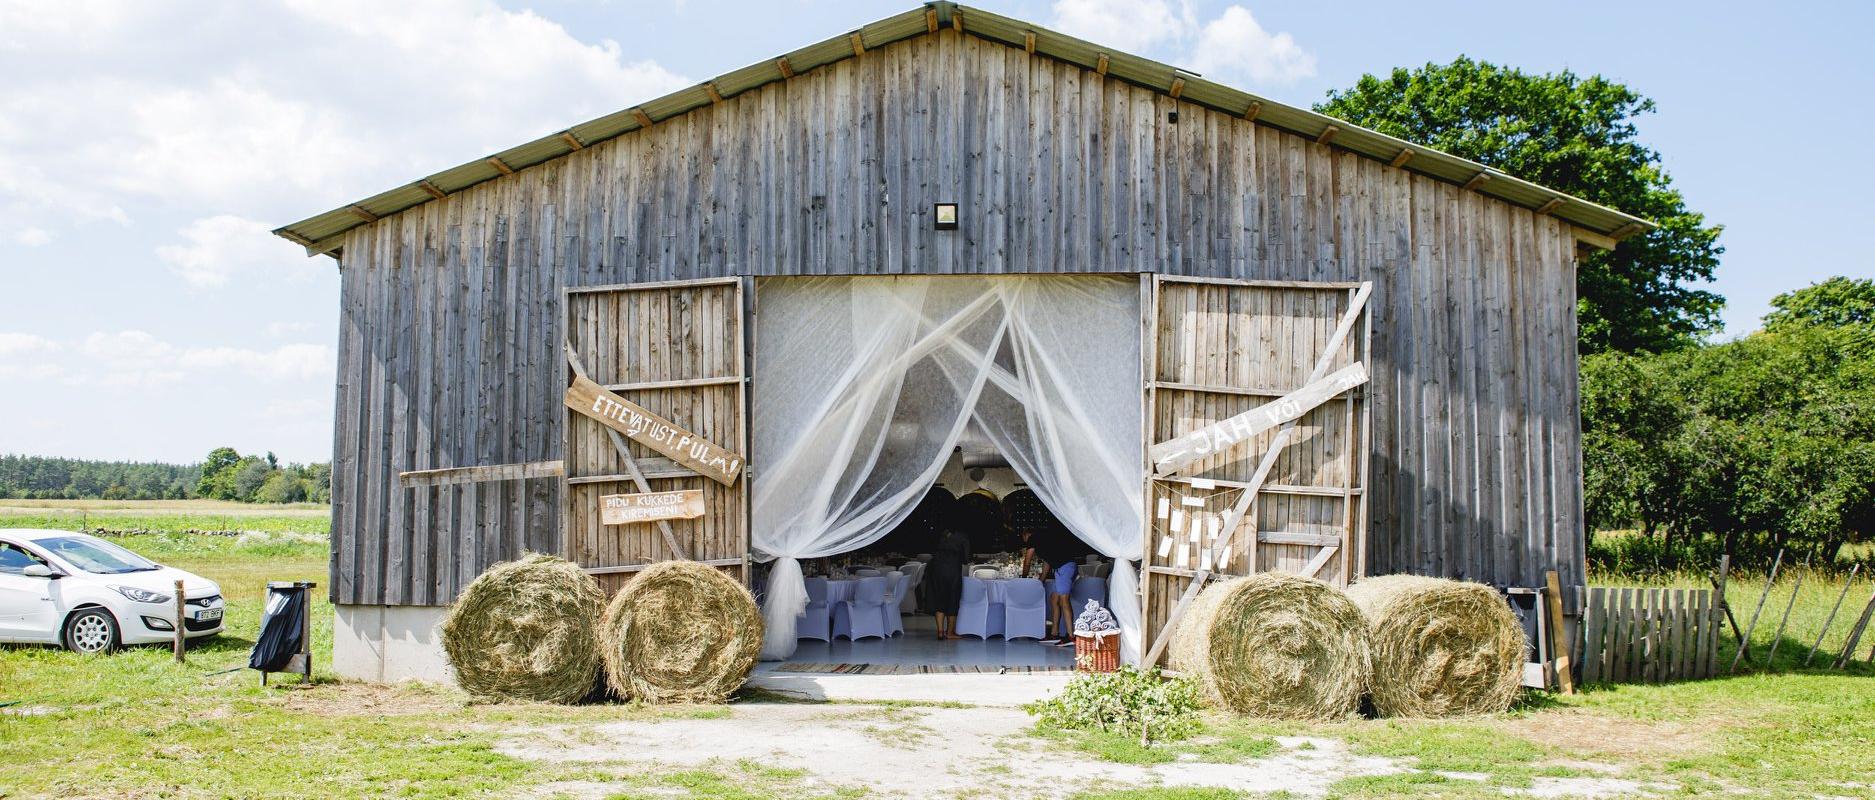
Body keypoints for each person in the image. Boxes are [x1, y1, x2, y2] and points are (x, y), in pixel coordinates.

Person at [927, 512, 971, 641]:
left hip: (936, 569)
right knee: (952, 600)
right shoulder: (963, 537)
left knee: (939, 600)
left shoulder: (940, 534)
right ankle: (950, 632)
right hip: (952, 571)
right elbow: (966, 559)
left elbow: (931, 550)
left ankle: (940, 632)